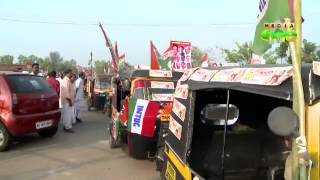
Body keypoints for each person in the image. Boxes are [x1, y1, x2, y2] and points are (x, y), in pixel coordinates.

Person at [60, 69, 75, 133]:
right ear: (67, 73)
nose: (71, 74)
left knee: (66, 114)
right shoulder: (66, 81)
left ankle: (66, 126)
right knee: (68, 115)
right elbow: (66, 92)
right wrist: (70, 101)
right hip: (67, 101)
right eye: (71, 73)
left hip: (66, 101)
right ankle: (68, 127)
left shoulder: (66, 80)